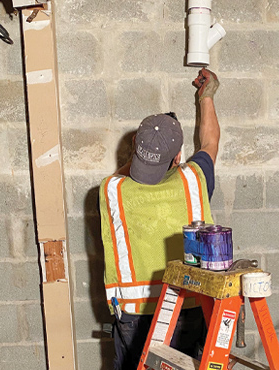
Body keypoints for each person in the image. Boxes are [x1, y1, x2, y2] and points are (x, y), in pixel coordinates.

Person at [99, 68, 221, 370]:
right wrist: (206, 97)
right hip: (188, 308)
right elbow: (209, 143)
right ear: (178, 157)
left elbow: (125, 174)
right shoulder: (193, 180)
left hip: (132, 315)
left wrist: (142, 152)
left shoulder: (112, 190)